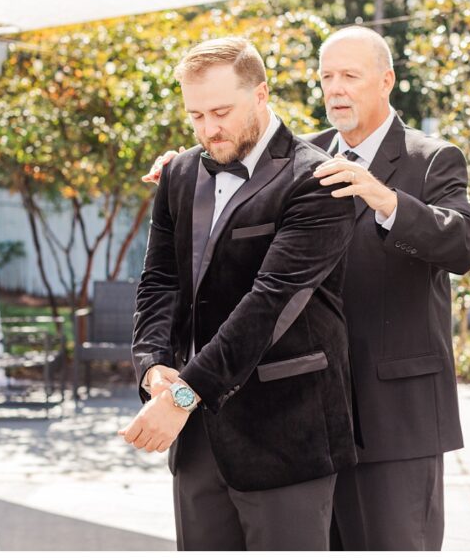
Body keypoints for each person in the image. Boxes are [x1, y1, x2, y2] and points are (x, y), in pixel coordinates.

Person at [122, 36, 357, 551]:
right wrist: (154, 365)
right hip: (198, 441)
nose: (209, 129)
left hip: (286, 435)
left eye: (222, 111)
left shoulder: (319, 180)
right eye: (196, 116)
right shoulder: (180, 173)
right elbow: (159, 280)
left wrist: (183, 394)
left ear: (262, 94)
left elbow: (269, 303)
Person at [308, 25, 470, 550]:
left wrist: (388, 202)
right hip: (314, 413)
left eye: (349, 76)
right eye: (326, 78)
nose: (335, 89)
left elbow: (464, 245)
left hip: (399, 411)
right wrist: (187, 170)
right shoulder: (303, 156)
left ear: (385, 81)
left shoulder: (431, 158)